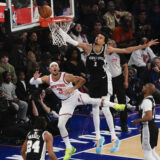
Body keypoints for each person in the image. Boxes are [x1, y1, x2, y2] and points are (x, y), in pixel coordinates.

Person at [56, 23, 158, 153]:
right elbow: (70, 40)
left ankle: (114, 138)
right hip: (93, 80)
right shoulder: (88, 47)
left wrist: (144, 46)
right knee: (94, 108)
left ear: (104, 41)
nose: (97, 38)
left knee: (104, 107)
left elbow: (127, 50)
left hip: (105, 79)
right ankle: (98, 138)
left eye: (100, 37)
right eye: (97, 36)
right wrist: (58, 30)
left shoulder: (107, 49)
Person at [29, 62, 125, 160]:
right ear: (49, 70)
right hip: (66, 103)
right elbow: (32, 82)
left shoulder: (66, 76)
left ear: (58, 68)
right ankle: (69, 148)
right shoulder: (47, 79)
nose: (54, 67)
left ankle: (115, 105)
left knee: (93, 101)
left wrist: (73, 88)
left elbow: (82, 80)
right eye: (52, 66)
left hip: (75, 96)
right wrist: (35, 78)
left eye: (56, 66)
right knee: (60, 125)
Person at [133, 83, 160, 160]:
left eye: (145, 87)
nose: (143, 87)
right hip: (152, 127)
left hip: (148, 128)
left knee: (147, 154)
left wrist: (137, 121)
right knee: (152, 151)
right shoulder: (151, 99)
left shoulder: (147, 101)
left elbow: (149, 116)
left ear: (148, 90)